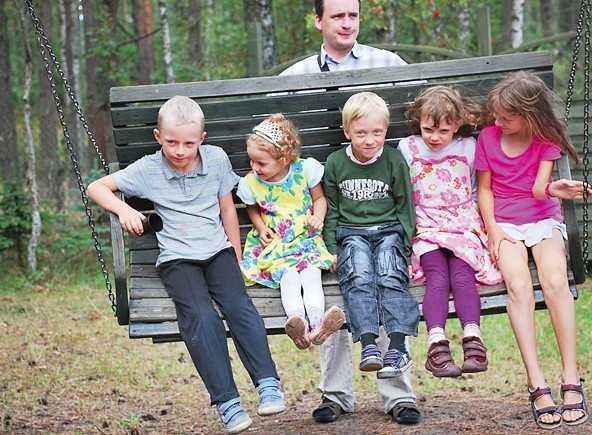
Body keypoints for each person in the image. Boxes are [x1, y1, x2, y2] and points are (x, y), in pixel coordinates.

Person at [87, 96, 285, 434]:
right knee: (200, 315)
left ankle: (268, 383)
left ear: (202, 139)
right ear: (157, 137)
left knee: (239, 305)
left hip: (218, 250)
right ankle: (228, 403)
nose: (180, 150)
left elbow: (227, 210)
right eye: (171, 142)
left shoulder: (216, 160)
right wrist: (123, 210)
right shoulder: (149, 169)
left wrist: (235, 256)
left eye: (189, 143)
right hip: (177, 259)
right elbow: (97, 187)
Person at [280, 0, 421, 425]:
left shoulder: (389, 64)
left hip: (379, 200)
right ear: (319, 20)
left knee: (384, 277)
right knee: (342, 284)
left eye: (353, 15)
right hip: (323, 207)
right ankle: (336, 394)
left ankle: (398, 393)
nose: (346, 22)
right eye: (337, 15)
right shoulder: (293, 78)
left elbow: (427, 112)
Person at [475, 72, 592, 430]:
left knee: (556, 281)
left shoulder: (546, 137)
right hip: (505, 224)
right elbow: (485, 191)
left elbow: (540, 189)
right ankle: (536, 381)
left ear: (529, 114)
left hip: (542, 220)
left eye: (506, 118)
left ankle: (571, 376)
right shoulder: (488, 137)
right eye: (496, 115)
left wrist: (556, 187)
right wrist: (494, 232)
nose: (498, 122)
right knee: (519, 286)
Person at [397, 86, 503, 378]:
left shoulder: (468, 147)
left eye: (443, 130)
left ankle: (473, 339)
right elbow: (405, 194)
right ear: (419, 121)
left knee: (462, 274)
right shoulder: (409, 148)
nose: (434, 137)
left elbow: (473, 189)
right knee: (437, 276)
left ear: (456, 125)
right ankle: (437, 343)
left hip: (461, 223)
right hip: (427, 223)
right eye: (428, 129)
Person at [324, 92, 420, 380]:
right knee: (359, 276)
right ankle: (368, 345)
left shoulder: (393, 160)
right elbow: (331, 210)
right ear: (347, 132)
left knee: (391, 274)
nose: (370, 140)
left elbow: (406, 207)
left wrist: (408, 249)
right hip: (352, 234)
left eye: (377, 132)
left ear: (386, 130)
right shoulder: (335, 163)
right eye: (361, 133)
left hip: (389, 231)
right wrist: (331, 248)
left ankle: (398, 346)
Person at [237, 113, 345, 349]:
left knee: (311, 274)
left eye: (261, 163)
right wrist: (261, 226)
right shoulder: (251, 183)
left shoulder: (304, 170)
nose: (254, 167)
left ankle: (318, 322)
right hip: (276, 241)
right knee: (288, 277)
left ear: (285, 158)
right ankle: (297, 324)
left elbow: (320, 199)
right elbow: (252, 209)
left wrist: (318, 216)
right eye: (251, 161)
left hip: (305, 237)